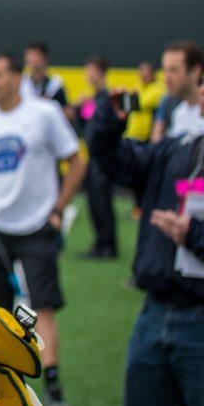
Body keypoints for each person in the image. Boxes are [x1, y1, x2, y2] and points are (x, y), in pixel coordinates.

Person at [89, 45, 204, 406]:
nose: (203, 89)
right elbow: (115, 161)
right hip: (153, 313)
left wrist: (194, 235)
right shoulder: (179, 151)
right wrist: (107, 121)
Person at [0, 53, 86, 406]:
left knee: (44, 307)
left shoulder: (44, 114)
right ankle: (0, 383)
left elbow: (76, 161)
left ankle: (52, 385)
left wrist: (57, 210)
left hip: (37, 225)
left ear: (16, 76)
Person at [81, 55, 118, 259]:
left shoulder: (108, 98)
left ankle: (108, 245)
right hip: (91, 158)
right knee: (94, 202)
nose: (89, 75)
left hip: (103, 160)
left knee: (103, 202)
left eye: (92, 70)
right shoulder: (92, 100)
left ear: (102, 73)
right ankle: (100, 242)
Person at [151, 40, 204, 143]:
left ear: (195, 72)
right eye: (165, 70)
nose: (166, 78)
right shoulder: (177, 111)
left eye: (173, 70)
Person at [125, 60, 165, 143]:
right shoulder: (139, 86)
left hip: (145, 138)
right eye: (141, 70)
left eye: (147, 71)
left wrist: (131, 98)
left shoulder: (158, 88)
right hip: (132, 134)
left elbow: (140, 103)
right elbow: (128, 105)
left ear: (153, 73)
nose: (144, 74)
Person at [20, 41, 68, 109]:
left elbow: (64, 110)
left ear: (45, 59)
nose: (33, 59)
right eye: (30, 54)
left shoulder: (55, 84)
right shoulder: (21, 83)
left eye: (36, 55)